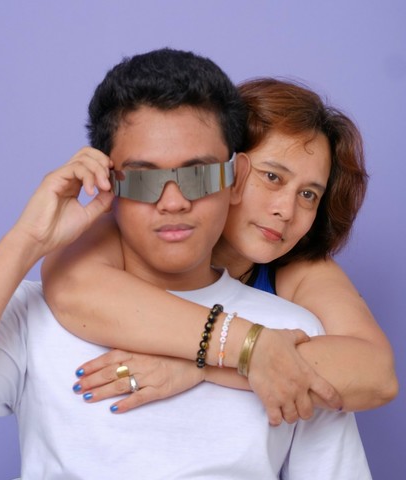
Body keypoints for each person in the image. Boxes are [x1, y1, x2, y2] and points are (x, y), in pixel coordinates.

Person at [0, 48, 371, 478]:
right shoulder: (35, 314)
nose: (172, 202)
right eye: (143, 178)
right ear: (107, 181)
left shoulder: (293, 334)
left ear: (234, 179)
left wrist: (224, 358)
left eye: (197, 175)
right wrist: (25, 241)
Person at [41, 76, 398, 424]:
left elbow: (377, 374)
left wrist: (204, 365)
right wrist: (249, 351)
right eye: (272, 177)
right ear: (223, 170)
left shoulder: (296, 267)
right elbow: (72, 286)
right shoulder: (146, 221)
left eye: (308, 194)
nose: (286, 211)